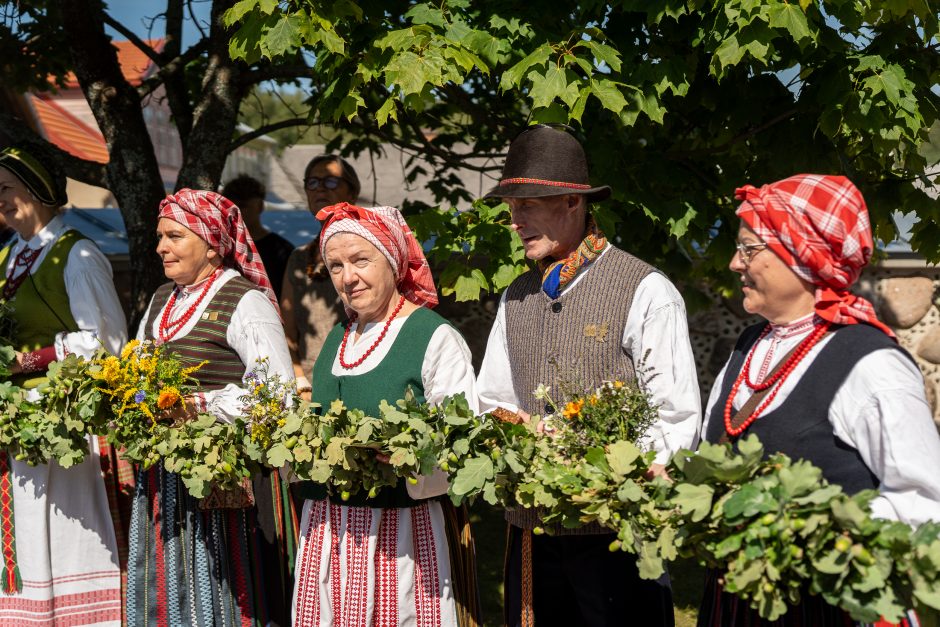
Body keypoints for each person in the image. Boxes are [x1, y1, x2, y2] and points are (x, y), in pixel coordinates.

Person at [476, 125, 701, 627]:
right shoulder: (514, 297)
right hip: (533, 528)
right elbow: (490, 400)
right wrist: (521, 436)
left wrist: (616, 480)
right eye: (512, 208)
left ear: (575, 203)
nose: (516, 220)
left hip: (614, 531)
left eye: (529, 204)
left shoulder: (644, 289)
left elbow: (676, 416)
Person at [698, 174, 940, 626]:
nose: (735, 262)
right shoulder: (749, 346)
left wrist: (812, 532)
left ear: (801, 255)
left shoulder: (870, 365)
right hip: (737, 605)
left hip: (827, 610)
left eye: (750, 248)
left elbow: (924, 502)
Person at [291, 202, 481, 627]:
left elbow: (464, 442)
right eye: (336, 265)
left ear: (393, 262)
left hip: (402, 533)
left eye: (361, 260)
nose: (348, 276)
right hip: (329, 528)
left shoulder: (433, 336)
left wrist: (409, 454)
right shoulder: (339, 337)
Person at [127, 189, 297, 627]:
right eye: (160, 236)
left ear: (211, 243)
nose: (161, 247)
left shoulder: (245, 302)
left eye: (175, 236)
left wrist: (200, 404)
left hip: (227, 477)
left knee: (230, 593)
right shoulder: (163, 298)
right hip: (166, 476)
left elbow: (276, 396)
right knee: (172, 589)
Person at [0, 146, 127, 625]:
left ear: (38, 190)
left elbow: (105, 342)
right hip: (17, 419)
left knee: (59, 528)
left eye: (6, 188)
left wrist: (26, 361)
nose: (0, 200)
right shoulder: (10, 256)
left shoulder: (77, 253)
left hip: (62, 421)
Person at [281, 155, 359, 401]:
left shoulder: (369, 251)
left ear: (353, 192)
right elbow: (287, 330)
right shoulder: (299, 258)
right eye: (313, 182)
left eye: (331, 182)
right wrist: (299, 378)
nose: (321, 188)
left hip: (359, 380)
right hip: (310, 389)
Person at [221, 174, 294, 300]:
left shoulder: (283, 251)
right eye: (232, 207)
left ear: (260, 206)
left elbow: (289, 300)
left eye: (243, 205)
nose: (237, 212)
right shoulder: (219, 248)